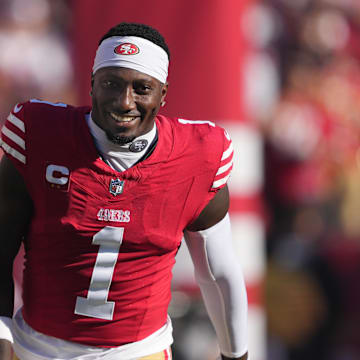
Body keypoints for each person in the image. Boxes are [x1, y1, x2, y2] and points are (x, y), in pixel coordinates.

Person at [0, 22, 249, 360]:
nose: (124, 102)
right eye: (111, 84)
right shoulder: (39, 135)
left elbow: (218, 273)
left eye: (141, 88)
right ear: (91, 85)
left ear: (163, 93)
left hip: (138, 352)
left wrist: (236, 355)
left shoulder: (199, 156)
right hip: (37, 349)